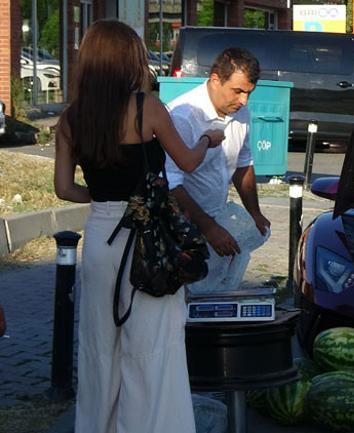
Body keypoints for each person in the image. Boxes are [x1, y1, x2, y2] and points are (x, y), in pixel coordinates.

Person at [53, 20, 224, 433]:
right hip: (149, 241)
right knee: (152, 346)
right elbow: (185, 162)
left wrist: (104, 200)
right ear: (129, 60)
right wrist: (207, 139)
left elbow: (62, 188)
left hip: (100, 236)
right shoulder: (145, 107)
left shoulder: (71, 118)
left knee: (99, 347)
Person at [165, 48, 270, 294]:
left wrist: (254, 212)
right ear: (215, 80)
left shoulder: (242, 112)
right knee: (183, 295)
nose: (244, 100)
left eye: (249, 93)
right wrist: (209, 228)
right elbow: (170, 184)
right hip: (180, 225)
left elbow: (244, 164)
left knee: (213, 293)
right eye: (238, 91)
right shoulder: (183, 116)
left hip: (216, 216)